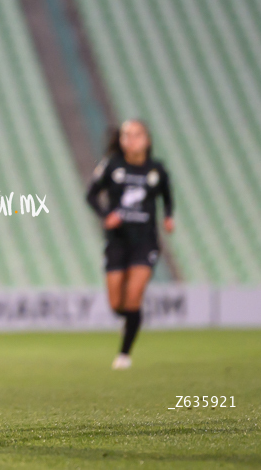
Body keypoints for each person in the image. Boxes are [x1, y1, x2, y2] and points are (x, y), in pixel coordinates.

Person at [85, 119, 174, 370]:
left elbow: (167, 194)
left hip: (145, 242)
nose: (130, 139)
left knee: (133, 297)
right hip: (117, 241)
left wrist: (168, 216)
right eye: (126, 135)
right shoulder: (112, 165)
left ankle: (124, 354)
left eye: (136, 135)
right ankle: (133, 320)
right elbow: (91, 194)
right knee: (117, 305)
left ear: (146, 139)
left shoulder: (156, 170)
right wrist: (106, 216)